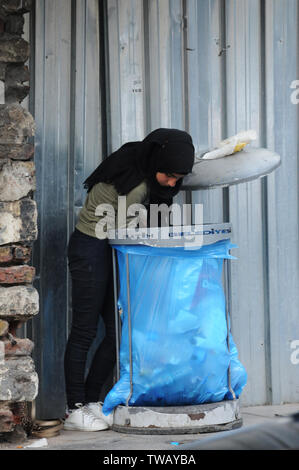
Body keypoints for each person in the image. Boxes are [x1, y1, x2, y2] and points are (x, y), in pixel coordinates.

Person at [63, 128, 195, 431]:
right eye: (170, 176)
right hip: (91, 246)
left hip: (111, 246)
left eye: (179, 177)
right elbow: (135, 234)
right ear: (156, 162)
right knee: (85, 329)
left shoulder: (145, 160)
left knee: (117, 330)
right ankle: (74, 408)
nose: (174, 184)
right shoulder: (135, 185)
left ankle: (93, 400)